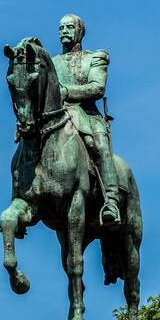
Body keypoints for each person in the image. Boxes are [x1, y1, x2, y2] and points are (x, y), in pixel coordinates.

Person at [52, 14, 121, 227]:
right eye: (61, 28)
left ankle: (111, 201)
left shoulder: (95, 57)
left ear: (79, 32)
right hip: (58, 116)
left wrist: (65, 91)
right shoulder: (52, 63)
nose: (64, 31)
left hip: (88, 114)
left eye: (69, 27)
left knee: (99, 145)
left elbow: (97, 88)